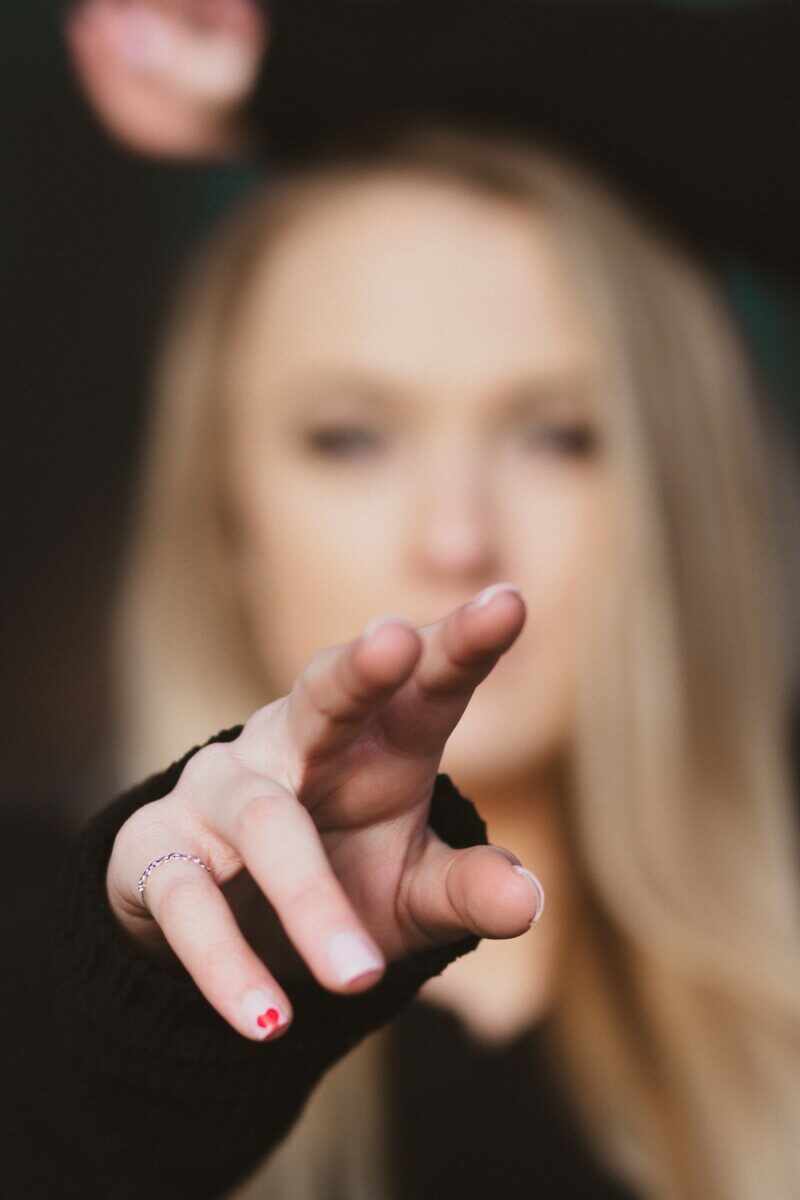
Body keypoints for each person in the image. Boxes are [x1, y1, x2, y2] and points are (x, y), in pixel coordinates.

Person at [3, 5, 798, 1200]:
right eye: (350, 438)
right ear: (224, 522)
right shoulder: (54, 983)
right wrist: (150, 995)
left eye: (559, 435)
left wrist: (323, 59)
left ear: (673, 492)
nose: (456, 536)